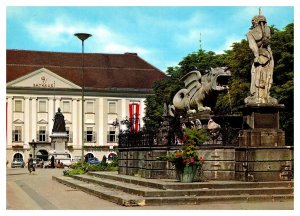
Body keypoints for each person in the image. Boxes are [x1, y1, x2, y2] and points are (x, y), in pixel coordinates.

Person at [245, 8, 277, 104]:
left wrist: (257, 56)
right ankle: (259, 96)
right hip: (265, 56)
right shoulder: (266, 30)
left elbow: (253, 47)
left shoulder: (251, 33)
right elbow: (255, 47)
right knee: (262, 76)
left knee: (265, 76)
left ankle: (264, 96)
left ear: (255, 22)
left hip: (263, 57)